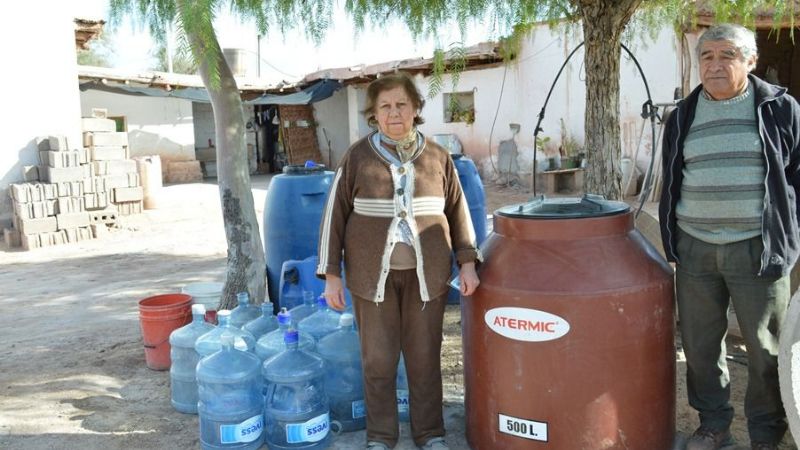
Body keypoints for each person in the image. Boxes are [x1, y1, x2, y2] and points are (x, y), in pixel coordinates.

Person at [316, 71, 481, 450]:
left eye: (401, 105)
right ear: (373, 113)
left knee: (424, 358)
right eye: (385, 106)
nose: (394, 113)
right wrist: (331, 274)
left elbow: (459, 212)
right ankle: (381, 437)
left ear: (416, 108)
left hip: (428, 278)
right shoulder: (357, 157)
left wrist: (468, 262)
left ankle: (430, 434)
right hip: (371, 279)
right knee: (378, 360)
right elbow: (333, 217)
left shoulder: (438, 157)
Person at [659, 23, 800, 450]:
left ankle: (766, 433)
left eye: (728, 55)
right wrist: (673, 241)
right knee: (700, 346)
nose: (715, 65)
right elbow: (672, 179)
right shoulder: (682, 115)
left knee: (766, 349)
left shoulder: (780, 109)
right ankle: (714, 424)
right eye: (707, 56)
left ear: (751, 61)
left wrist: (788, 236)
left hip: (758, 247)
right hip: (695, 248)